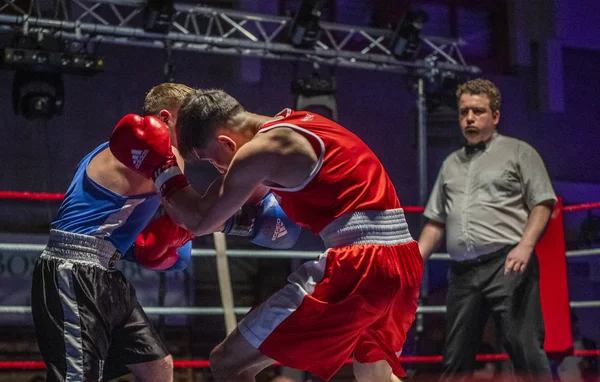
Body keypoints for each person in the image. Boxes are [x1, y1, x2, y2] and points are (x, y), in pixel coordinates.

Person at [109, 88, 424, 382]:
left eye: (209, 158)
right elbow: (241, 207)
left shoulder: (260, 151)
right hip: (402, 260)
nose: (216, 168)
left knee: (227, 361)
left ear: (227, 143)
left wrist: (162, 167)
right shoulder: (289, 125)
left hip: (361, 265)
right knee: (374, 375)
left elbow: (201, 219)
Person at [31, 83, 300, 382]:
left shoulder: (124, 149)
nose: (196, 132)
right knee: (77, 377)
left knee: (157, 365)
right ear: (166, 117)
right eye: (190, 120)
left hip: (104, 269)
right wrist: (242, 214)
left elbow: (151, 236)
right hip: (72, 268)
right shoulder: (161, 149)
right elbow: (188, 217)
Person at [417, 78, 556, 380]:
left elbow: (543, 203)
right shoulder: (450, 164)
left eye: (478, 111)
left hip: (507, 263)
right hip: (464, 271)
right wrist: (413, 261)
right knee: (455, 356)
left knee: (525, 348)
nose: (469, 118)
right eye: (464, 111)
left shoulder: (520, 152)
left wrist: (526, 246)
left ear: (495, 116)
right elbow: (436, 221)